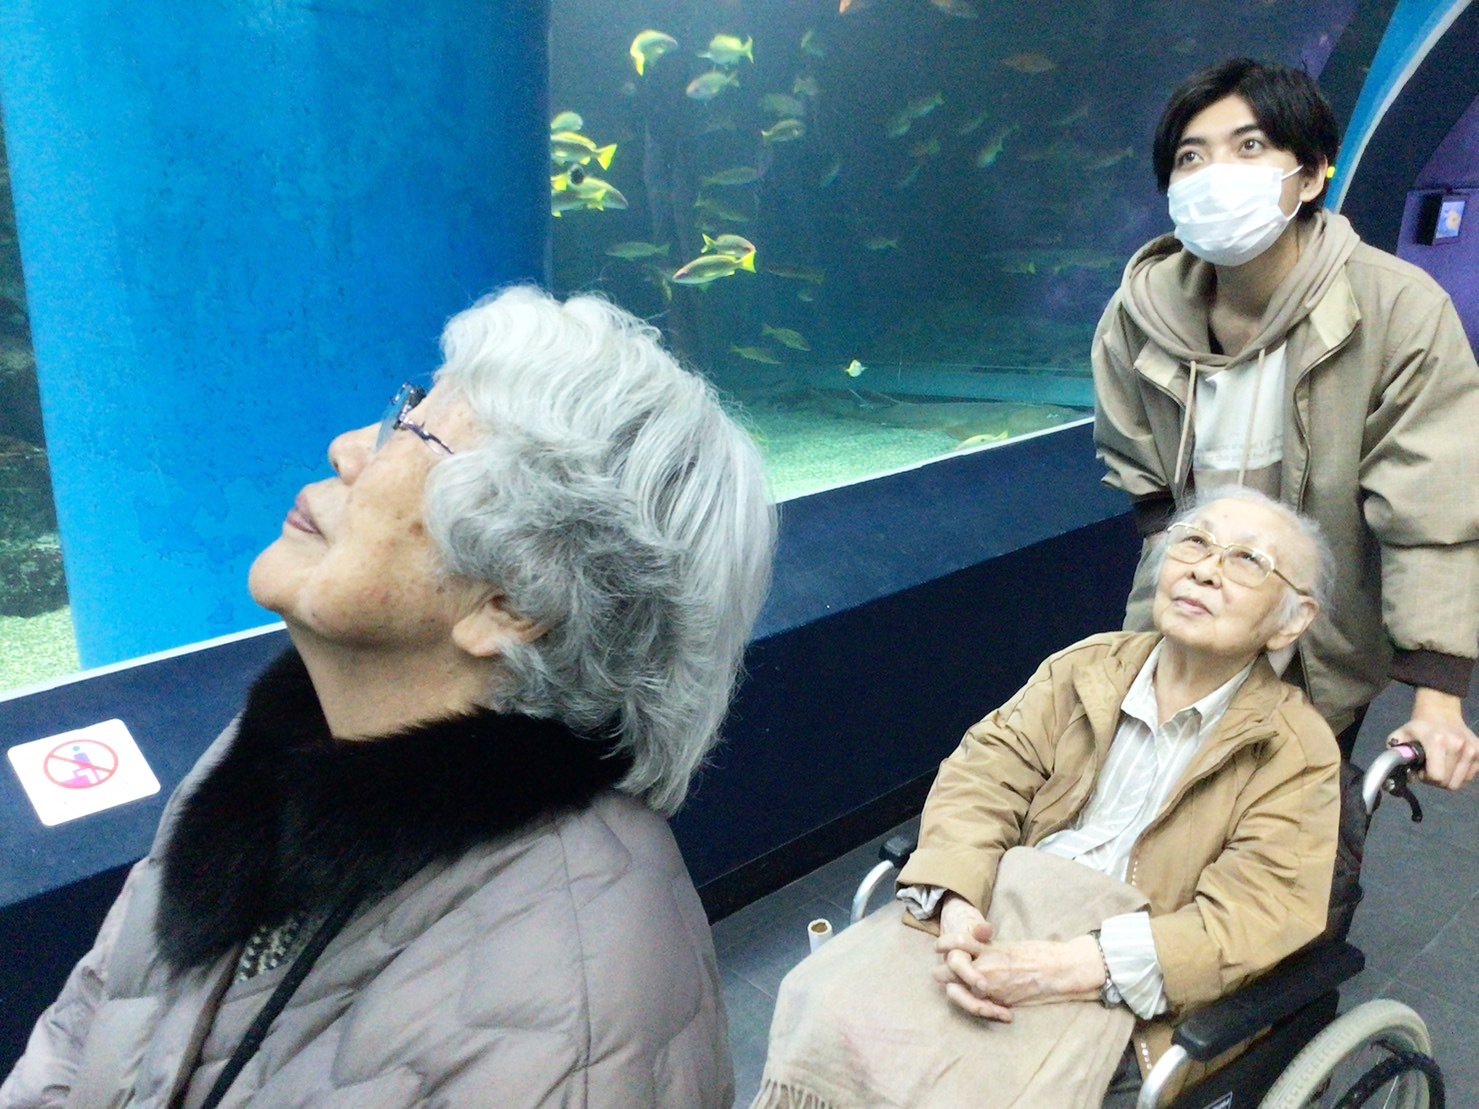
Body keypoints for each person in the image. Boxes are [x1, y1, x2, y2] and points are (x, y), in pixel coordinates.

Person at [2, 286, 777, 1107]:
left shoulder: (573, 1022)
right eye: (403, 407)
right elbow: (91, 1017)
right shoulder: (288, 746)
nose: (345, 448)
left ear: (518, 602)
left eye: (413, 431)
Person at [755, 489, 1340, 1107]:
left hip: (1121, 976)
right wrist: (957, 907)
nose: (1203, 568)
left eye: (1247, 560)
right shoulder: (1085, 668)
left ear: (1294, 618)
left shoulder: (1295, 753)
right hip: (997, 914)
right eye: (1195, 540)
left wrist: (1060, 969)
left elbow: (1251, 919)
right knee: (821, 1003)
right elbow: (983, 776)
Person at [1092, 58, 1479, 791]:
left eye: (1247, 147)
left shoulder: (1398, 307)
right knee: (1152, 812)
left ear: (1310, 174)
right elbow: (1146, 488)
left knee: (1287, 834)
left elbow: (1432, 508)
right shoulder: (1133, 317)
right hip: (1182, 629)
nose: (1213, 173)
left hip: (1318, 641)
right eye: (1189, 157)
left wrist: (1437, 693)